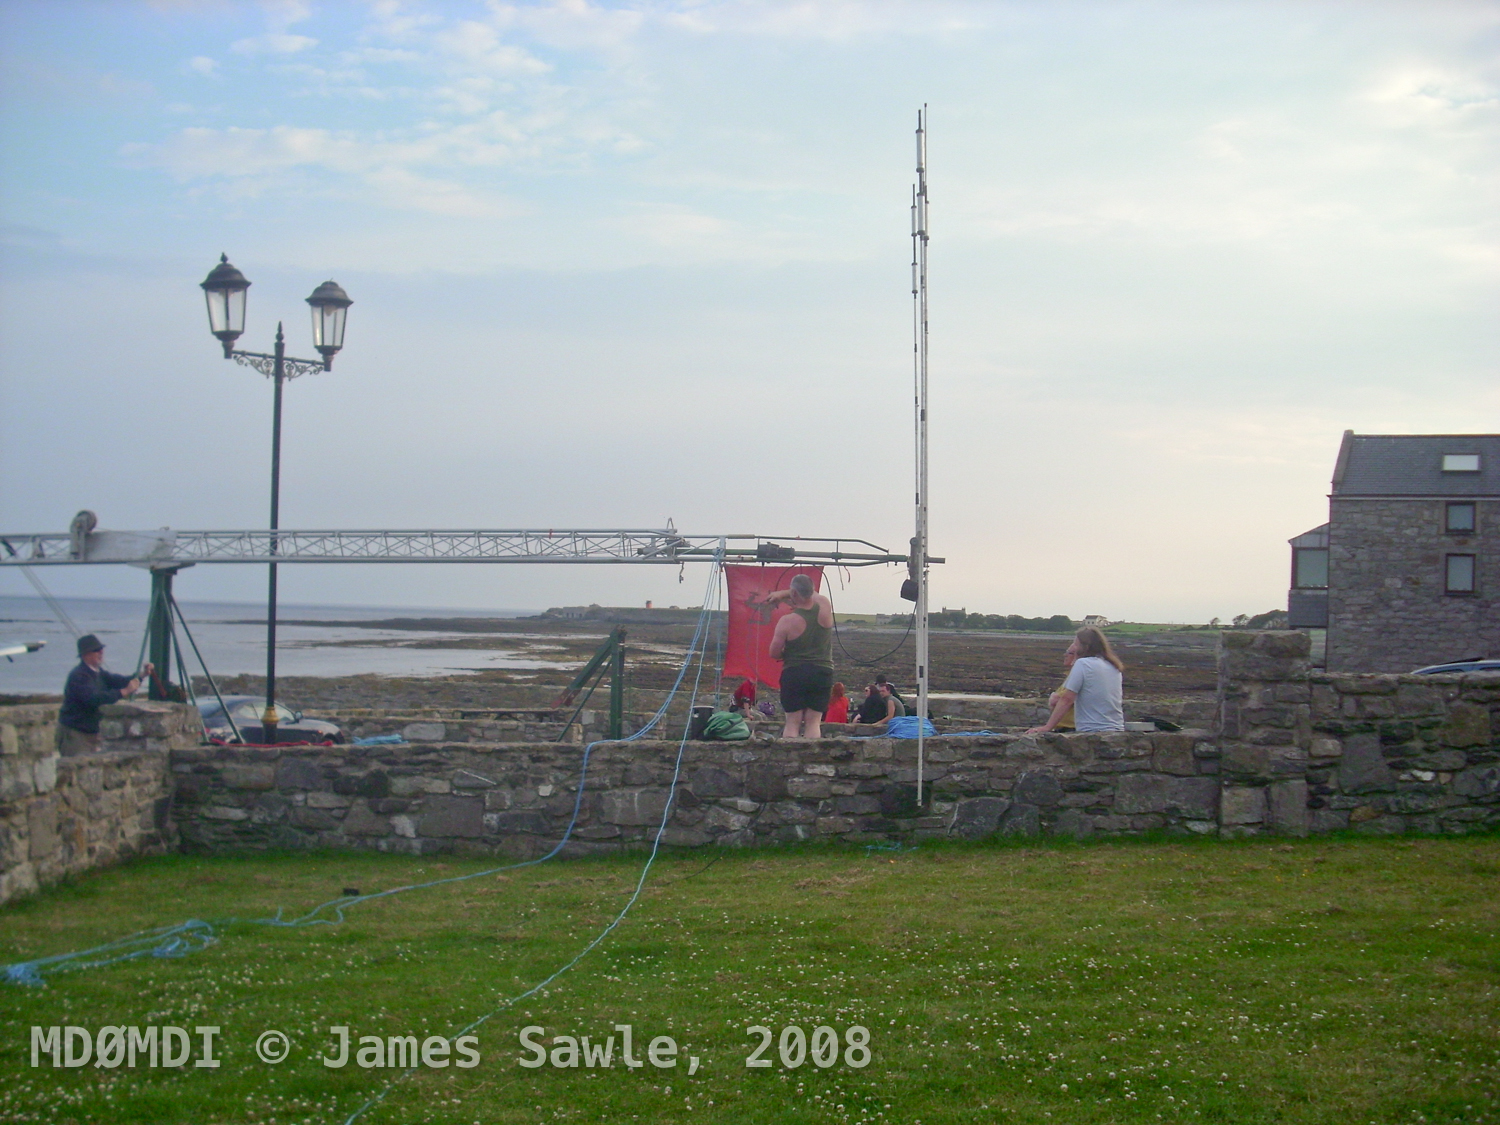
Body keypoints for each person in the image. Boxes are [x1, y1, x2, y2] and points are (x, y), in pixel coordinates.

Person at [57, 634, 151, 755]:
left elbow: (119, 681)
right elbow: (93, 699)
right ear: (85, 654)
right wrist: (123, 692)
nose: (101, 652)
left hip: (91, 733)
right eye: (96, 650)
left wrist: (142, 675)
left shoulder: (98, 672)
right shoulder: (79, 676)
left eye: (101, 649)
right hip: (75, 734)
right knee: (75, 769)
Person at [766, 574, 835, 740]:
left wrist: (786, 654)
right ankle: (811, 759)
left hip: (795, 672)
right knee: (813, 722)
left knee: (792, 722)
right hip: (822, 671)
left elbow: (773, 652)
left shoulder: (787, 621)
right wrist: (785, 593)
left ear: (794, 594)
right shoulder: (824, 606)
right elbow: (815, 594)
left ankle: (790, 761)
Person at [1027, 626, 1124, 734]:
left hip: (1091, 728)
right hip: (1116, 728)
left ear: (1084, 646)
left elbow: (1067, 699)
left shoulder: (1083, 664)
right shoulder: (1113, 666)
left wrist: (1047, 727)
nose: (1075, 648)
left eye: (1076, 644)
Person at [1047, 642, 1079, 733]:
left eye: (1069, 653)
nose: (1065, 655)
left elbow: (1056, 700)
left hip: (1070, 728)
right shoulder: (1071, 675)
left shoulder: (1076, 675)